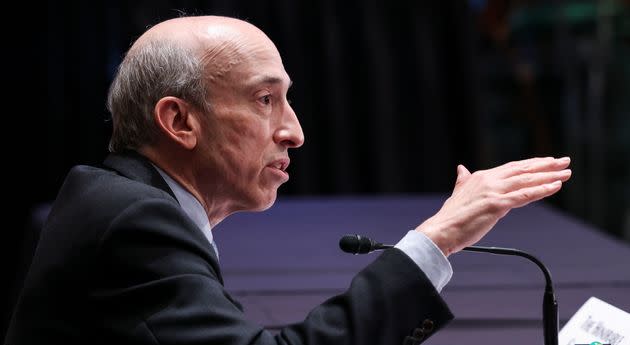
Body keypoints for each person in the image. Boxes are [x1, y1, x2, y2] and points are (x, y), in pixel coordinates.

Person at [5, 15, 572, 345]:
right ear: (180, 121)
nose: (294, 132)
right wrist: (440, 237)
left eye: (287, 100)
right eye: (265, 100)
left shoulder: (119, 197)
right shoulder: (134, 221)